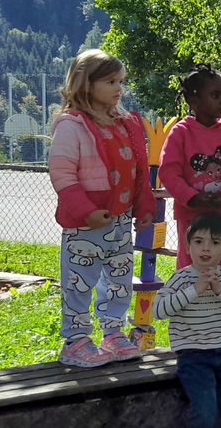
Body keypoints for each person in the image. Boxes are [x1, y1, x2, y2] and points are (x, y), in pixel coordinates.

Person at [49, 49, 154, 367]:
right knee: (79, 281)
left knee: (119, 281)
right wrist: (84, 211)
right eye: (110, 81)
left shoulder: (123, 124)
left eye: (120, 80)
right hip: (86, 225)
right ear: (86, 84)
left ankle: (113, 334)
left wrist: (143, 204)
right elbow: (62, 175)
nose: (119, 87)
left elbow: (138, 169)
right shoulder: (72, 126)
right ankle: (76, 340)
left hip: (119, 222)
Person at [154, 214, 221, 428]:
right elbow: (159, 311)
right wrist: (195, 290)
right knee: (205, 413)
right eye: (199, 242)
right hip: (193, 355)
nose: (206, 249)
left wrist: (220, 290)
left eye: (215, 243)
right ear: (188, 246)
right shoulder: (180, 278)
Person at [160, 64, 221, 274]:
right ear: (193, 101)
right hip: (191, 214)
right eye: (215, 95)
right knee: (192, 267)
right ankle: (190, 305)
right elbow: (168, 172)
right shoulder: (180, 133)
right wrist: (191, 197)